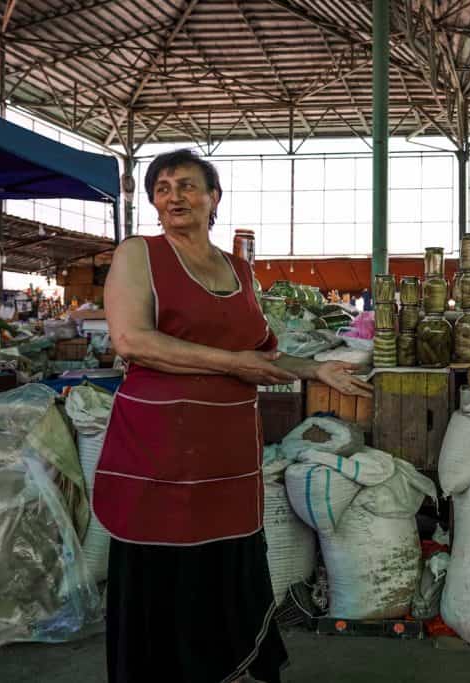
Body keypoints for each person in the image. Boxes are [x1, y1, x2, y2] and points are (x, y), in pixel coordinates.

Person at [92, 149, 372, 683]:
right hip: (160, 451)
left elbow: (262, 353)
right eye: (165, 187)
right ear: (154, 200)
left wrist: (317, 370)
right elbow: (133, 340)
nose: (176, 196)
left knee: (225, 567)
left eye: (189, 185)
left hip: (225, 456)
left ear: (213, 198)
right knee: (166, 568)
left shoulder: (238, 270)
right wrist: (231, 363)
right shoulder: (140, 254)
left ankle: (230, 671)